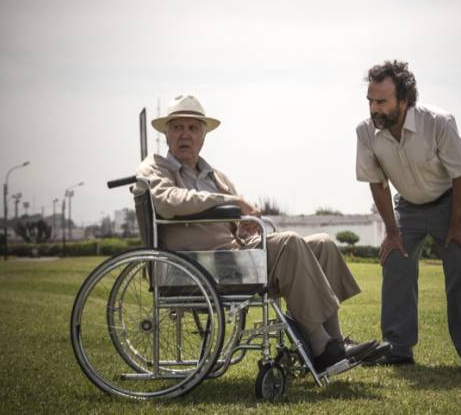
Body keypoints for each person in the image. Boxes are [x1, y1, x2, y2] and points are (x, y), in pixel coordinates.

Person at [136, 94, 385, 372]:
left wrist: (244, 222)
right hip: (196, 264)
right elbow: (168, 201)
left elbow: (234, 217)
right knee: (289, 242)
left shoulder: (214, 175)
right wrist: (227, 202)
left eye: (193, 128)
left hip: (233, 256)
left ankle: (335, 344)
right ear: (166, 133)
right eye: (178, 127)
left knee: (323, 244)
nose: (185, 134)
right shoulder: (155, 167)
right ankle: (321, 346)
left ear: (203, 136)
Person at [356, 60, 461, 371]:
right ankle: (398, 348)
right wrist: (392, 232)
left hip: (451, 202)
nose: (374, 109)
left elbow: (460, 175)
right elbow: (378, 184)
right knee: (396, 262)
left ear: (404, 100)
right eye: (370, 101)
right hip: (408, 206)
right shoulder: (365, 132)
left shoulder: (439, 122)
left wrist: (458, 224)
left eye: (382, 101)